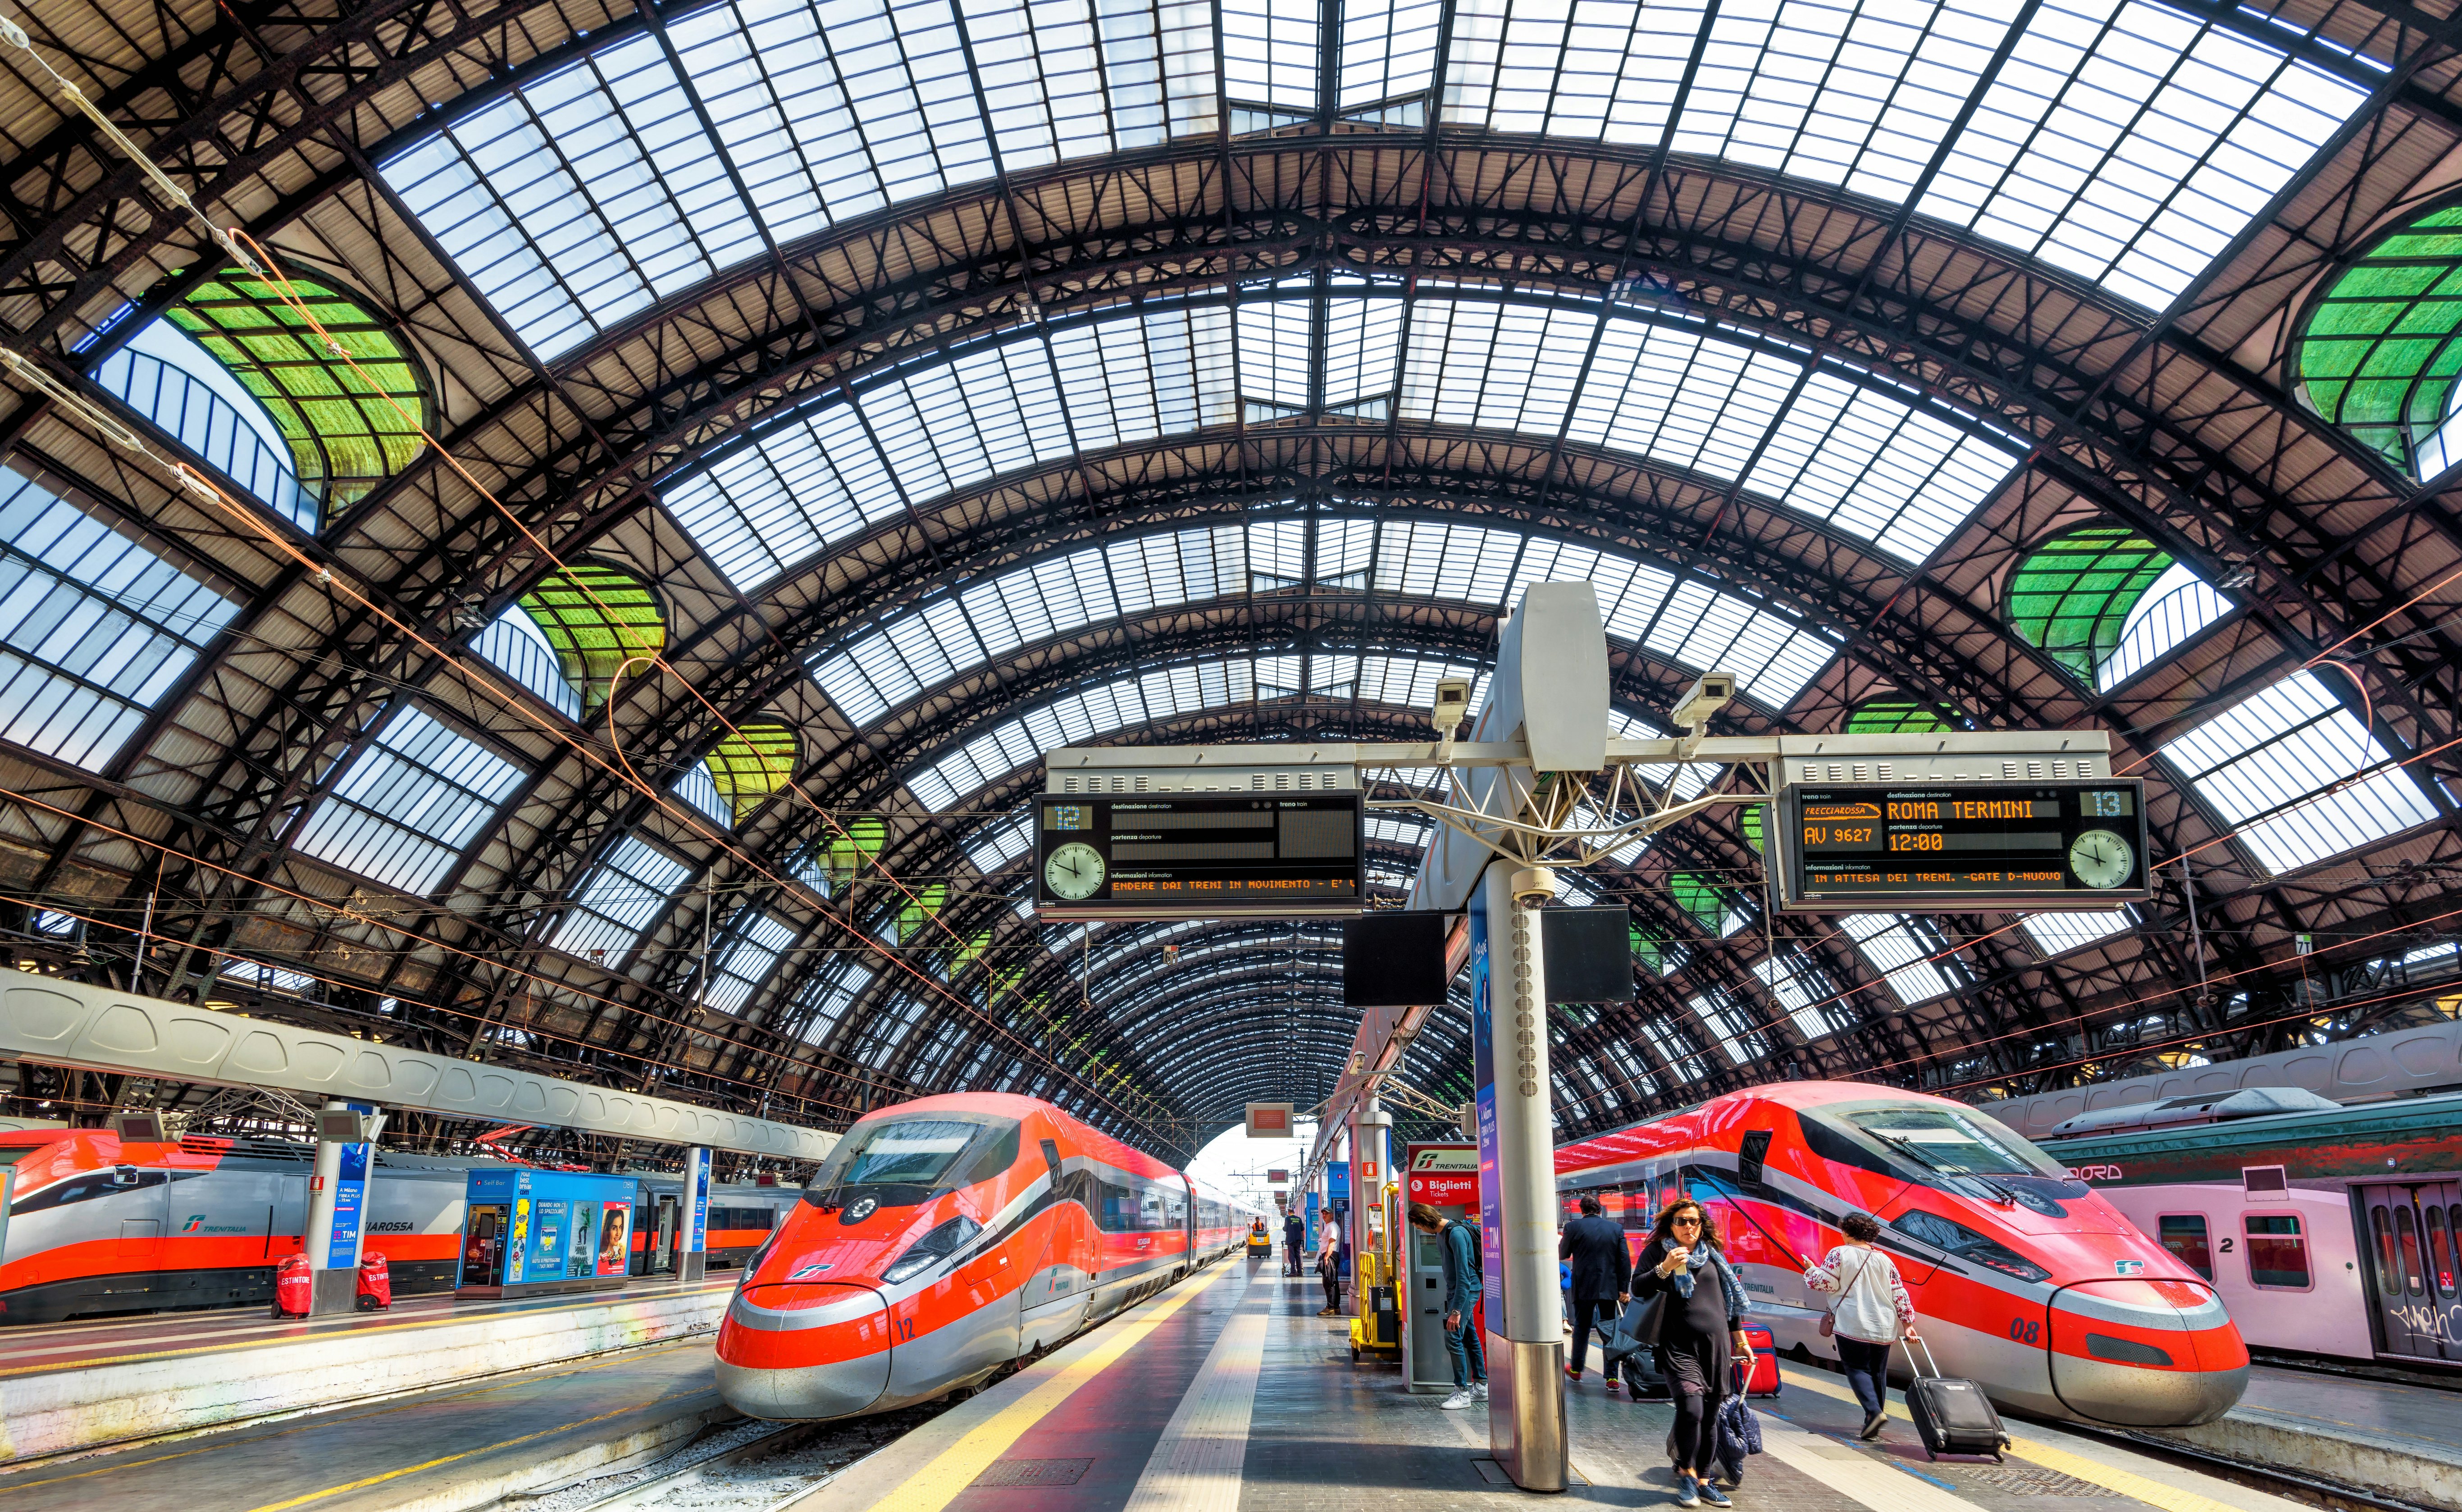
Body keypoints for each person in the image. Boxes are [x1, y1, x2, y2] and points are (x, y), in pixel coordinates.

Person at [1633, 1199, 1750, 1509]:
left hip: (1717, 1346)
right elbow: (1638, 1289)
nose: (1689, 1227)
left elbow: (1728, 1303)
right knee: (1691, 1410)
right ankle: (1687, 1473)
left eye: (1694, 1221)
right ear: (1671, 1225)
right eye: (1682, 1221)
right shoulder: (1659, 1252)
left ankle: (1704, 1480)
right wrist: (1666, 1268)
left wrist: (1741, 1340)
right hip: (1677, 1346)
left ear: (1702, 1225)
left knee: (1711, 1416)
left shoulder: (1714, 1255)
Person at [1803, 1210, 1917, 1441]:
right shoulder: (1885, 1259)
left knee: (1857, 1368)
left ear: (1846, 1232)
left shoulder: (1839, 1253)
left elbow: (1825, 1283)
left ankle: (1874, 1413)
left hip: (1853, 1323)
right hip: (1884, 1326)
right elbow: (1899, 1293)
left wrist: (1810, 1270)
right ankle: (1873, 1418)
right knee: (1878, 1372)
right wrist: (1908, 1324)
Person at [1408, 1201, 1488, 1411]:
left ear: (1425, 1221)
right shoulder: (1442, 1234)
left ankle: (1462, 1392)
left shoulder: (1456, 1235)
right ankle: (1481, 1385)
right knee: (1469, 1337)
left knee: (1453, 1336)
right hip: (1458, 1292)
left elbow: (1464, 1277)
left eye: (1418, 1226)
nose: (1420, 1231)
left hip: (1466, 1292)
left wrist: (1456, 1311)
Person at [1560, 1194, 1632, 1385]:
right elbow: (1624, 1260)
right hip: (1609, 1286)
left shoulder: (1573, 1227)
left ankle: (1576, 1369)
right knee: (1610, 1328)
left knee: (1582, 1327)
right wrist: (1623, 1288)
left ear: (1581, 1211)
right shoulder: (1616, 1229)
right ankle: (1612, 1377)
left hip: (1584, 1285)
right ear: (1601, 1210)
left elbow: (1563, 1253)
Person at [1315, 1229, 1342, 1316]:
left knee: (1328, 1282)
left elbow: (1332, 1243)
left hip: (1330, 1256)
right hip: (1331, 1255)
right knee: (1334, 1282)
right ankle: (1336, 1307)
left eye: (1327, 1214)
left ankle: (1330, 1308)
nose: (1325, 1215)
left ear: (1332, 1215)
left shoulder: (1332, 1227)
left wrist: (1326, 1257)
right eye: (1324, 1214)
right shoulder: (1330, 1226)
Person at [1284, 1210, 1306, 1276]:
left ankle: (1293, 1271)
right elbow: (1302, 1228)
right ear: (1294, 1212)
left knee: (1291, 1256)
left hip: (1291, 1240)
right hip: (1298, 1241)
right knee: (1298, 1256)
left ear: (1289, 1213)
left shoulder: (1288, 1219)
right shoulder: (1299, 1219)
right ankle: (1299, 1272)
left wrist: (1284, 1228)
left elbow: (1285, 1229)